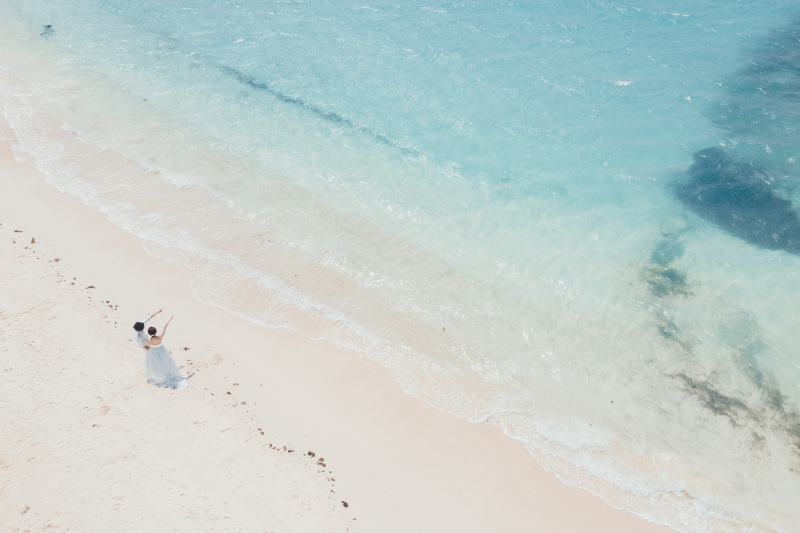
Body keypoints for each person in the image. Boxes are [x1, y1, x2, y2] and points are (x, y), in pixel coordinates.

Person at [143, 314, 188, 390]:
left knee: (157, 365)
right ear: (156, 332)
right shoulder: (160, 337)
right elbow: (164, 327)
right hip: (162, 350)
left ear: (149, 333)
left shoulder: (149, 340)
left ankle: (160, 376)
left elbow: (147, 346)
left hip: (154, 353)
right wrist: (170, 319)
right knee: (166, 362)